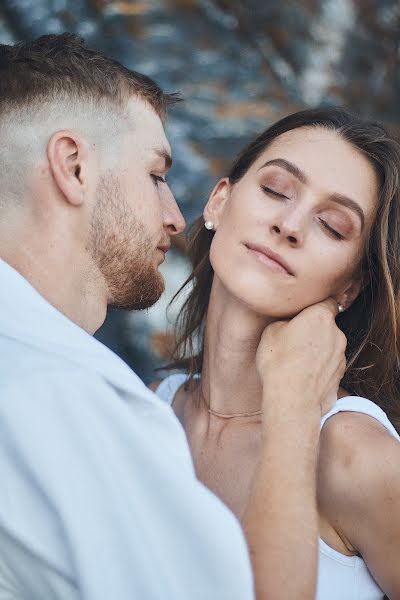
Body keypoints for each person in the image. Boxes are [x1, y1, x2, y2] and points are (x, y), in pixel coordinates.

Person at [0, 34, 346, 600]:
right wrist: (293, 407)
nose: (173, 215)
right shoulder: (61, 396)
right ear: (74, 167)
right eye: (156, 175)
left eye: (333, 226)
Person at [156, 108, 400, 600]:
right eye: (276, 190)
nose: (290, 225)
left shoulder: (359, 457)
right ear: (219, 202)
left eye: (332, 226)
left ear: (352, 284)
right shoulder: (151, 411)